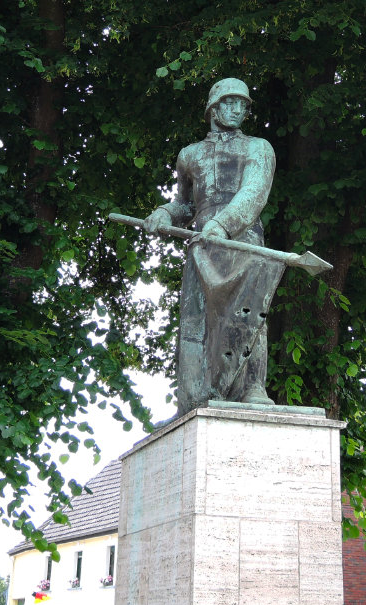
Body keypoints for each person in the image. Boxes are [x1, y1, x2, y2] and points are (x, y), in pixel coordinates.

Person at [144, 78, 282, 415]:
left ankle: (251, 387)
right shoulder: (190, 155)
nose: (237, 110)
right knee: (197, 322)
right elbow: (186, 205)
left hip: (243, 240)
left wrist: (222, 224)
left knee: (248, 313)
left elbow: (254, 193)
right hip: (202, 246)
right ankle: (194, 396)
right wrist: (163, 213)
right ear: (213, 107)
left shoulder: (258, 148)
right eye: (230, 102)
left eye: (242, 104)